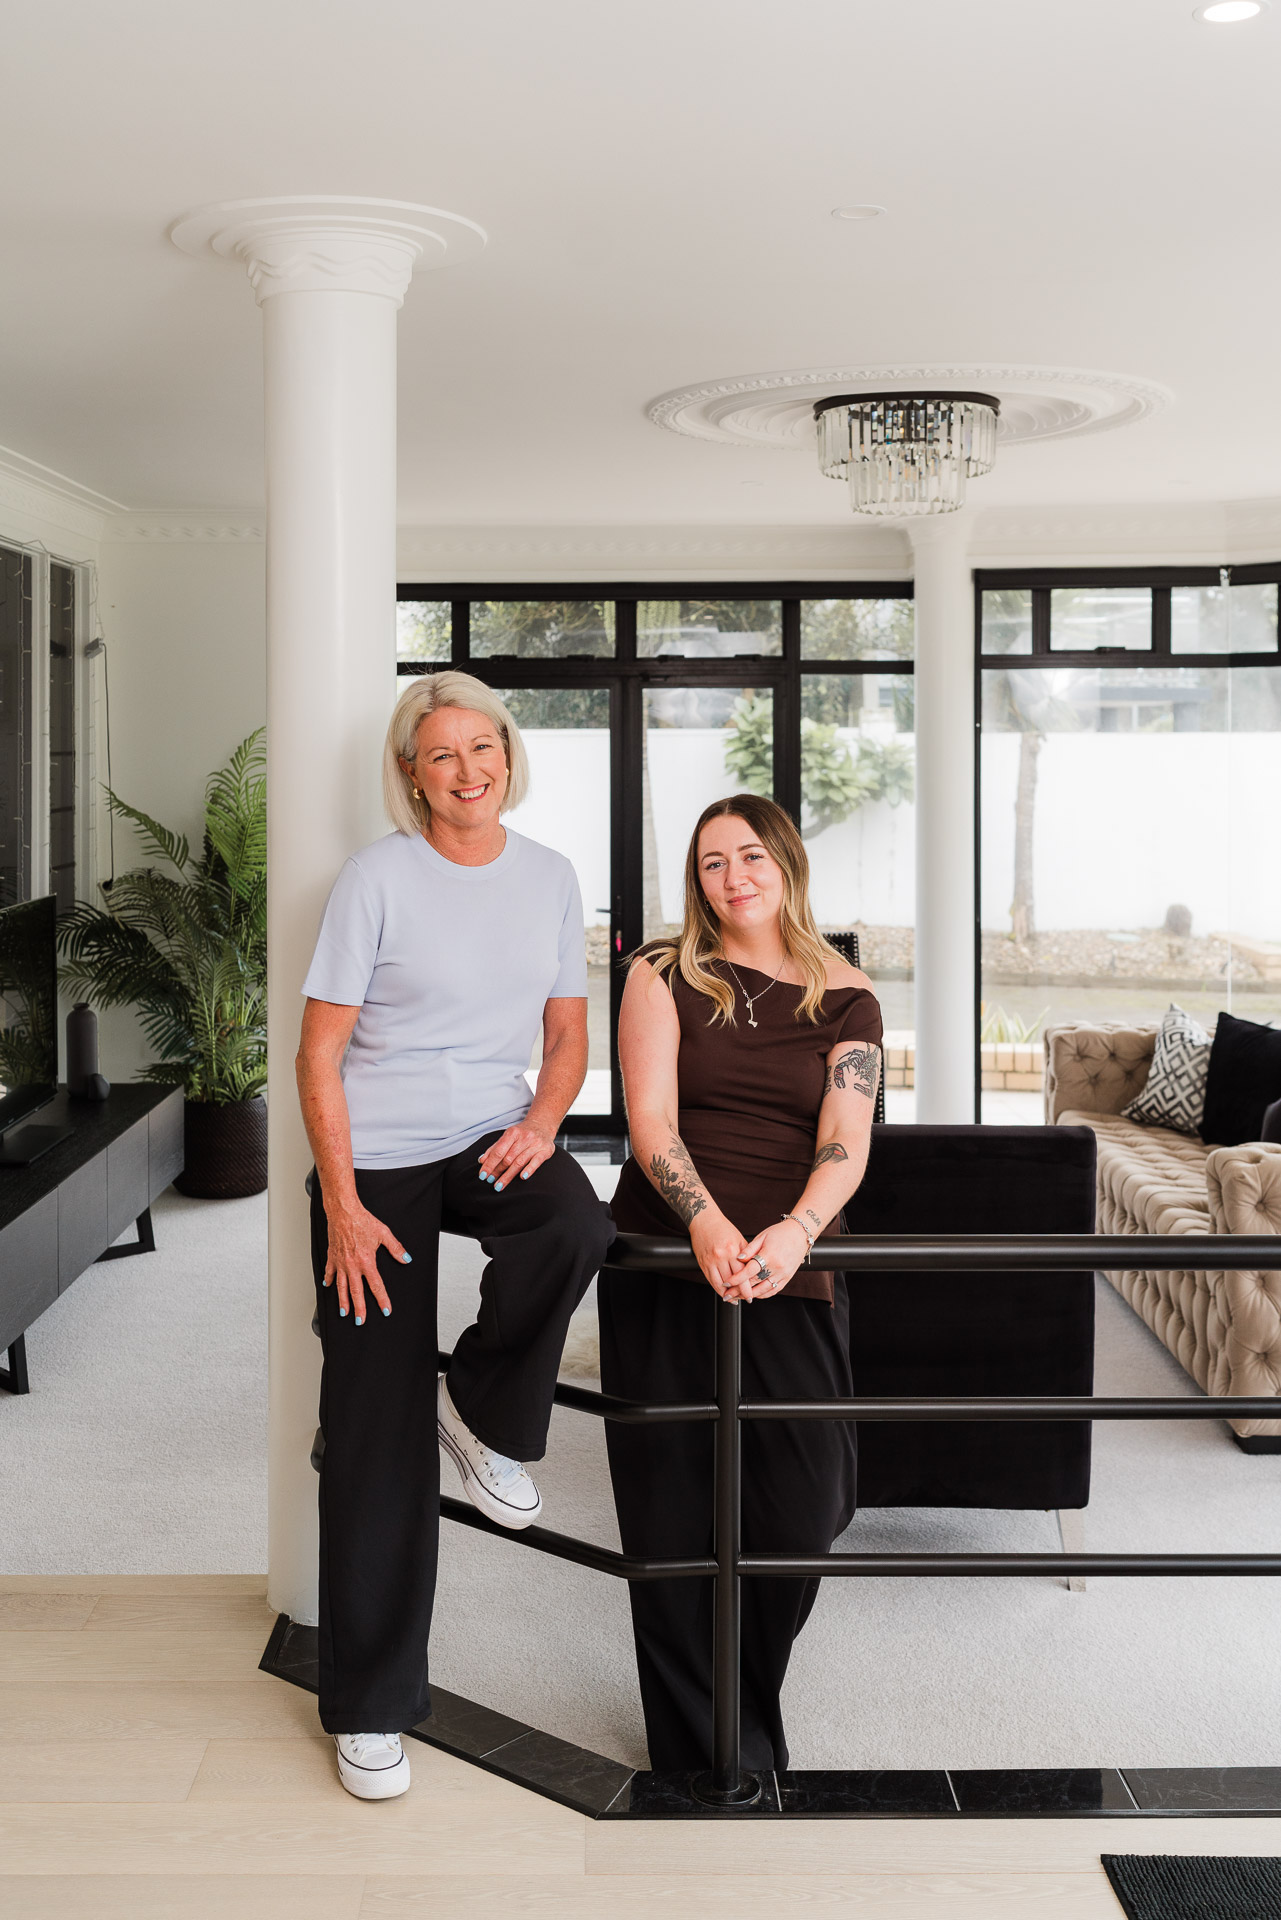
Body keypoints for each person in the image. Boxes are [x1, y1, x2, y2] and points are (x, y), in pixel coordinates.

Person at [296, 670, 614, 1801]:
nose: (469, 769)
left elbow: (566, 1035)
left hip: (488, 1129)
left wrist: (542, 1121)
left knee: (573, 1219)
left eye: (485, 747)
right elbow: (319, 1053)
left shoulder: (551, 877)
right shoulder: (376, 879)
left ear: (508, 757)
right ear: (412, 774)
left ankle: (476, 1410)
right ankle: (371, 1707)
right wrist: (341, 1204)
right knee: (370, 1428)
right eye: (443, 754)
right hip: (376, 1157)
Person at [600, 792, 882, 1774]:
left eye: (752, 855)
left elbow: (846, 1139)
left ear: (787, 863)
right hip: (669, 1253)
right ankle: (707, 1753)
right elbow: (649, 1120)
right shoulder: (659, 974)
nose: (734, 877)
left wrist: (797, 1231)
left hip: (790, 1265)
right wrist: (706, 1222)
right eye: (713, 861)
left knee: (807, 1504)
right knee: (672, 1511)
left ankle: (746, 1706)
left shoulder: (847, 995)